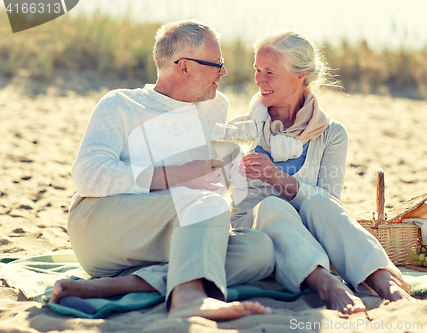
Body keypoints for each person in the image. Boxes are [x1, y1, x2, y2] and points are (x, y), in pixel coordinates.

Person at [48, 20, 275, 321]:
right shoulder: (121, 104)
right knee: (205, 204)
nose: (224, 72)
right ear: (183, 67)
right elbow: (89, 174)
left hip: (170, 234)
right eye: (217, 64)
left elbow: (215, 176)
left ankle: (123, 285)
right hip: (101, 227)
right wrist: (174, 175)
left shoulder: (215, 106)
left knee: (261, 250)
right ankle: (189, 298)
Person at [227, 31, 414, 314]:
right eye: (256, 69)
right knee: (274, 205)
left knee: (319, 202)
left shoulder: (331, 134)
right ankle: (328, 285)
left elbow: (328, 203)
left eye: (269, 72)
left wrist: (276, 177)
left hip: (311, 231)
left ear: (300, 75)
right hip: (256, 231)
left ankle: (384, 280)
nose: (258, 80)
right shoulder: (243, 127)